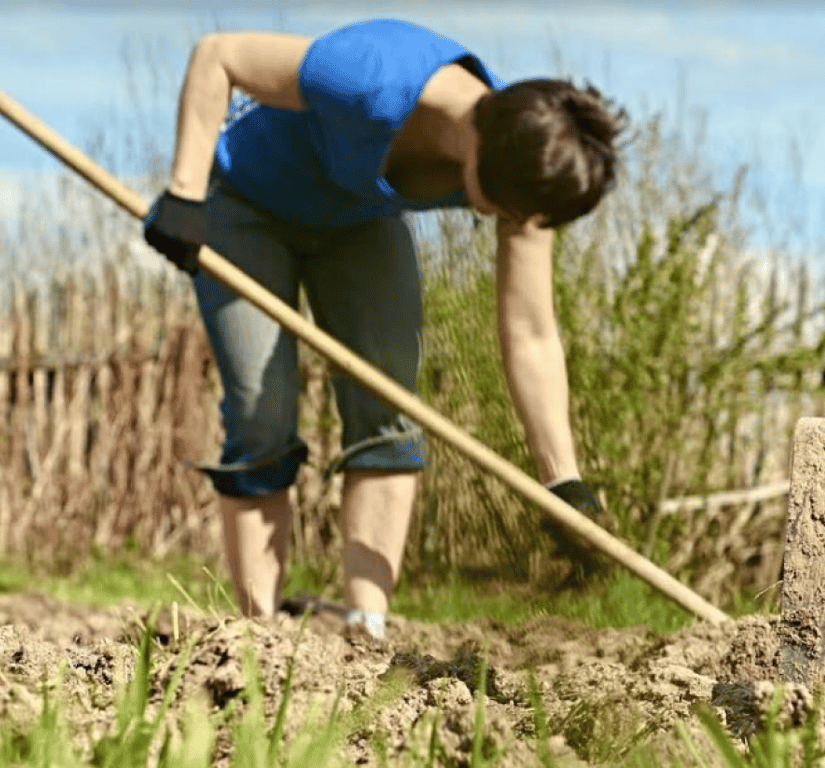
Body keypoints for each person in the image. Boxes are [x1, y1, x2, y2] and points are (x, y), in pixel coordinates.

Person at [140, 18, 622, 640]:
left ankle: (365, 627)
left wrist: (564, 481)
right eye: (503, 205)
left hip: (358, 223)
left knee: (389, 403)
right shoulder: (367, 76)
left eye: (524, 216)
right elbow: (219, 56)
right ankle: (257, 632)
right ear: (479, 137)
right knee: (263, 412)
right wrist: (185, 192)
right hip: (245, 205)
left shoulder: (531, 172)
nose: (510, 222)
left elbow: (530, 333)